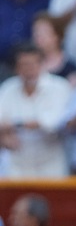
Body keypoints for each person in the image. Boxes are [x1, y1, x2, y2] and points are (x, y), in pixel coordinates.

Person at [0, 43, 72, 178]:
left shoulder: (60, 86)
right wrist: (4, 136)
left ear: (42, 64)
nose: (29, 69)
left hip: (50, 165)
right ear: (16, 67)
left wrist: (16, 125)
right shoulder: (7, 88)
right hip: (16, 165)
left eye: (32, 64)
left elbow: (53, 123)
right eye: (23, 65)